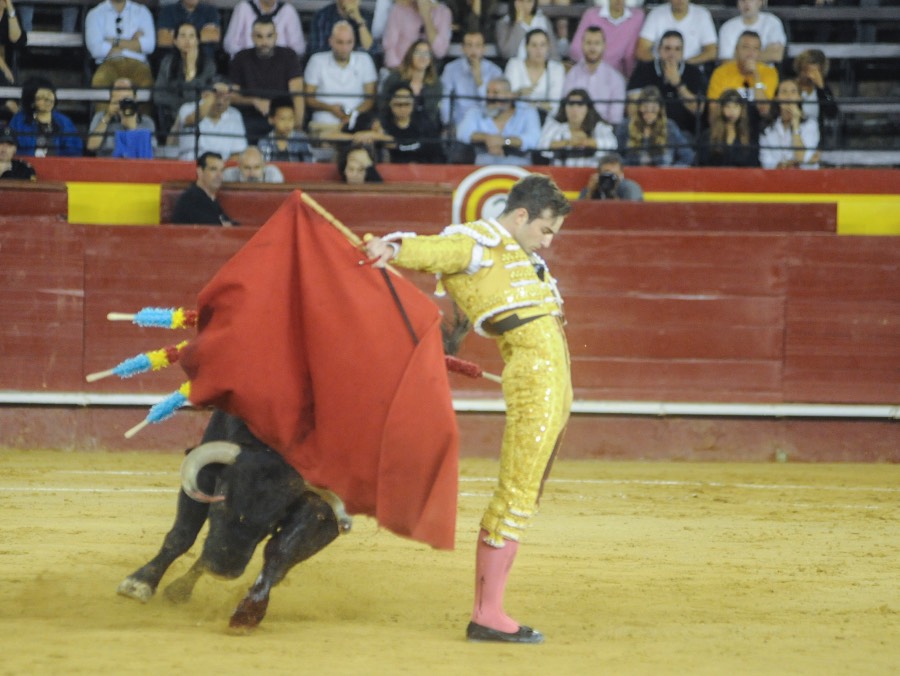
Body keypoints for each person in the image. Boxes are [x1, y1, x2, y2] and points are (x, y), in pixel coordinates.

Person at [363, 173, 573, 645]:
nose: (547, 242)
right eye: (545, 230)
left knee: (527, 491)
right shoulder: (477, 241)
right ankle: (488, 613)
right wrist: (394, 250)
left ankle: (490, 608)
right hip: (535, 377)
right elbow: (438, 250)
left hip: (554, 379)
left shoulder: (518, 252)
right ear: (521, 215)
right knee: (516, 492)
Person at [228, 17, 305, 144]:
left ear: (276, 36)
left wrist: (298, 124)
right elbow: (233, 96)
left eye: (269, 36)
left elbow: (297, 94)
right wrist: (254, 101)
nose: (264, 42)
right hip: (249, 118)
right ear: (252, 37)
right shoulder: (241, 58)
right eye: (259, 36)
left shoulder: (289, 56)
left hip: (282, 119)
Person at [304, 20, 378, 136]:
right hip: (324, 123)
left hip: (356, 125)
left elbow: (370, 98)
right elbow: (309, 98)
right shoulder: (316, 60)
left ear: (354, 43)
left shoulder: (365, 60)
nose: (345, 48)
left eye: (349, 42)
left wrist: (352, 114)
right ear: (331, 41)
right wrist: (331, 108)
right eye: (340, 42)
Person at [626, 30, 705, 139]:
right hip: (647, 131)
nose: (672, 54)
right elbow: (633, 108)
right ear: (659, 50)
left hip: (683, 133)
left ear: (683, 52)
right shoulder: (643, 70)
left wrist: (678, 84)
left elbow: (697, 109)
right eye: (667, 48)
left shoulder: (693, 72)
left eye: (677, 49)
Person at [456, 76, 542, 166]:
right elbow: (462, 133)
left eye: (495, 93)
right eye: (488, 92)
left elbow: (533, 139)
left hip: (519, 167)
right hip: (484, 168)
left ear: (509, 95)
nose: (490, 96)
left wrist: (505, 141)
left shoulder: (527, 112)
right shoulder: (476, 112)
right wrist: (487, 138)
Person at [154, 21, 217, 137]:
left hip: (200, 118)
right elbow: (158, 96)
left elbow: (208, 97)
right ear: (175, 41)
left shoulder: (208, 65)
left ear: (198, 41)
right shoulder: (167, 63)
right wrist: (183, 104)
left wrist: (191, 70)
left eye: (192, 36)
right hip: (172, 117)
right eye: (182, 36)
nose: (187, 41)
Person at [707, 30, 778, 131]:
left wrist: (756, 76)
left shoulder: (769, 72)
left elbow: (764, 110)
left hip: (759, 129)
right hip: (728, 128)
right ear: (736, 50)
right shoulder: (721, 72)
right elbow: (713, 112)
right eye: (746, 47)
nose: (750, 54)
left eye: (755, 49)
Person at [84, 0, 156, 92]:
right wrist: (134, 43)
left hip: (138, 63)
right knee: (100, 81)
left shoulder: (142, 11)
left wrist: (113, 41)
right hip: (108, 63)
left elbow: (149, 45)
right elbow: (96, 49)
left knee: (147, 84)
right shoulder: (95, 13)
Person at [614, 84, 694, 166]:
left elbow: (688, 156)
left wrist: (672, 172)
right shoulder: (626, 126)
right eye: (645, 107)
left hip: (662, 176)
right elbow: (617, 156)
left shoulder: (669, 127)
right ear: (639, 107)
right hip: (634, 175)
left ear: (659, 108)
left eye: (653, 107)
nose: (649, 112)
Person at [439, 29, 502, 129]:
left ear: (484, 48)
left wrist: (479, 81)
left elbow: (495, 107)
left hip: (486, 125)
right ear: (463, 48)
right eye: (469, 45)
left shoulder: (495, 71)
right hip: (458, 124)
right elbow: (445, 101)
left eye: (478, 45)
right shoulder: (450, 69)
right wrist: (450, 124)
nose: (473, 50)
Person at [537, 88, 617, 167]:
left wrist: (585, 142)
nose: (574, 109)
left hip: (590, 174)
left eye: (580, 105)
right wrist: (568, 142)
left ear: (587, 108)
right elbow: (541, 146)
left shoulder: (599, 126)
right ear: (565, 107)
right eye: (571, 104)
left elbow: (612, 144)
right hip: (559, 174)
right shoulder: (555, 125)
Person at [562, 26, 626, 125]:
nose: (592, 48)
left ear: (604, 45)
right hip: (575, 129)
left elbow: (615, 119)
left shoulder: (615, 79)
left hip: (604, 131)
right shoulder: (572, 75)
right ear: (582, 45)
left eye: (597, 43)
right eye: (588, 43)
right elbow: (565, 108)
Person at [173, 76, 248, 161]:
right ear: (204, 95)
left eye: (226, 99)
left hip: (220, 170)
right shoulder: (187, 108)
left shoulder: (235, 115)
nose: (221, 102)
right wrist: (211, 95)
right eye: (217, 97)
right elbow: (192, 120)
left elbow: (237, 153)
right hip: (190, 167)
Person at [8, 77, 83, 157]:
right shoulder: (18, 121)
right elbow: (11, 148)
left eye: (49, 95)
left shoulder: (64, 121)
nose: (47, 100)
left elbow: (74, 151)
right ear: (32, 102)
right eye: (41, 97)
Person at [570, 0, 645, 79]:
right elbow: (575, 49)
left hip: (616, 75)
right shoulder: (591, 15)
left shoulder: (637, 17)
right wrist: (591, 67)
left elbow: (629, 54)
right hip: (587, 71)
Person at [379, 38, 443, 129]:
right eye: (418, 53)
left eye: (426, 53)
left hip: (424, 131)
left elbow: (432, 114)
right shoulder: (394, 79)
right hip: (394, 127)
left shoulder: (435, 84)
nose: (422, 57)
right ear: (410, 56)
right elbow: (383, 106)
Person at [503, 28, 565, 121]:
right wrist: (541, 104)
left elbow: (554, 107)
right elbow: (507, 100)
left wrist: (521, 98)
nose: (538, 50)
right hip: (516, 119)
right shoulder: (514, 65)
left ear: (548, 47)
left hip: (546, 122)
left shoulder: (556, 69)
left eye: (542, 45)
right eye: (534, 45)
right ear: (526, 47)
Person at [86, 77, 157, 157]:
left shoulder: (146, 121)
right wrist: (107, 117)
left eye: (126, 101)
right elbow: (91, 146)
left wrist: (132, 128)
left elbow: (148, 153)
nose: (122, 106)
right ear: (111, 100)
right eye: (117, 102)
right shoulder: (100, 117)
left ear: (135, 99)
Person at [635, 0, 717, 69]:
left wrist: (683, 65)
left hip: (692, 70)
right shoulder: (656, 14)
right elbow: (641, 51)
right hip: (658, 71)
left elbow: (712, 52)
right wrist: (661, 65)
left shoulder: (702, 15)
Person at [759, 78, 820, 170]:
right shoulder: (768, 127)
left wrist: (796, 124)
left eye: (793, 92)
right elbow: (766, 161)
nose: (788, 96)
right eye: (784, 92)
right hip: (775, 178)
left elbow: (802, 158)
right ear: (776, 98)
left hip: (805, 178)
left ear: (799, 97)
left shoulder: (810, 124)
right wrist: (783, 166)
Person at [378, 83, 445, 163]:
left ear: (413, 103)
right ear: (390, 104)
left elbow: (437, 154)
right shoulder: (382, 123)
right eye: (398, 105)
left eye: (407, 104)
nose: (403, 109)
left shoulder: (424, 123)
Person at [695, 89, 758, 167]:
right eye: (727, 106)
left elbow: (753, 166)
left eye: (735, 107)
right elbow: (701, 164)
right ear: (721, 109)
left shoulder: (749, 137)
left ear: (741, 109)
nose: (732, 111)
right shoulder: (708, 136)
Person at [382, 0, 452, 70]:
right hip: (400, 68)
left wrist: (427, 16)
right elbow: (389, 46)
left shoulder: (443, 12)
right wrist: (399, 69)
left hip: (427, 71)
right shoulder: (398, 9)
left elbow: (440, 52)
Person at [223, 0, 305, 59]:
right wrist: (250, 57)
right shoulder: (243, 8)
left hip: (280, 67)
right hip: (247, 65)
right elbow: (229, 44)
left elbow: (299, 49)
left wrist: (277, 57)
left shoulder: (288, 11)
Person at [172, 151, 236, 225]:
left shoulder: (210, 199)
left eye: (222, 170)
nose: (219, 175)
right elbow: (212, 227)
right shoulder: (191, 199)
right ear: (200, 172)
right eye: (213, 169)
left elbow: (229, 224)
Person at [717, 0, 785, 66]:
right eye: (743, 0)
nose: (746, 3)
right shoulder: (727, 27)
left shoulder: (772, 22)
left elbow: (776, 55)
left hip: (765, 73)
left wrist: (739, 58)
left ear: (761, 2)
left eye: (751, 0)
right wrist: (763, 55)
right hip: (735, 74)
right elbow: (725, 61)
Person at [793, 48, 839, 141]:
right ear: (800, 69)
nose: (809, 76)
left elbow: (832, 113)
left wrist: (822, 87)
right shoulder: (790, 86)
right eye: (806, 70)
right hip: (793, 134)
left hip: (816, 137)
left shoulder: (822, 90)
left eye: (814, 72)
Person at [155, 0, 221, 59]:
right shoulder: (167, 11)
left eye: (191, 36)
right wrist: (201, 34)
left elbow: (213, 35)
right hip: (173, 62)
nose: (188, 41)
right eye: (183, 35)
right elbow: (163, 39)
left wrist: (177, 35)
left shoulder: (210, 11)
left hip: (204, 61)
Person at [257, 94, 314, 162]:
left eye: (291, 118)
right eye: (283, 119)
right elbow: (264, 166)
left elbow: (310, 163)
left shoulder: (301, 139)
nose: (287, 123)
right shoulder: (264, 142)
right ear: (271, 119)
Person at [309, 0, 374, 55]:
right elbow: (317, 51)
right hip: (328, 65)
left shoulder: (366, 16)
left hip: (358, 65)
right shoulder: (322, 16)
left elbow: (369, 49)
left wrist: (359, 20)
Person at [579, 151, 643, 200]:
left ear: (621, 173)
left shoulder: (629, 187)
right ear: (599, 173)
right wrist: (590, 191)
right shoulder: (594, 186)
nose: (609, 178)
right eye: (606, 174)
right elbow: (579, 211)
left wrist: (612, 193)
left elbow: (633, 211)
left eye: (614, 175)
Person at [0, 0, 25, 120]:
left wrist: (10, 10)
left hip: (8, 64)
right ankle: (10, 103)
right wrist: (4, 68)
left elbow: (16, 39)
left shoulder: (11, 15)